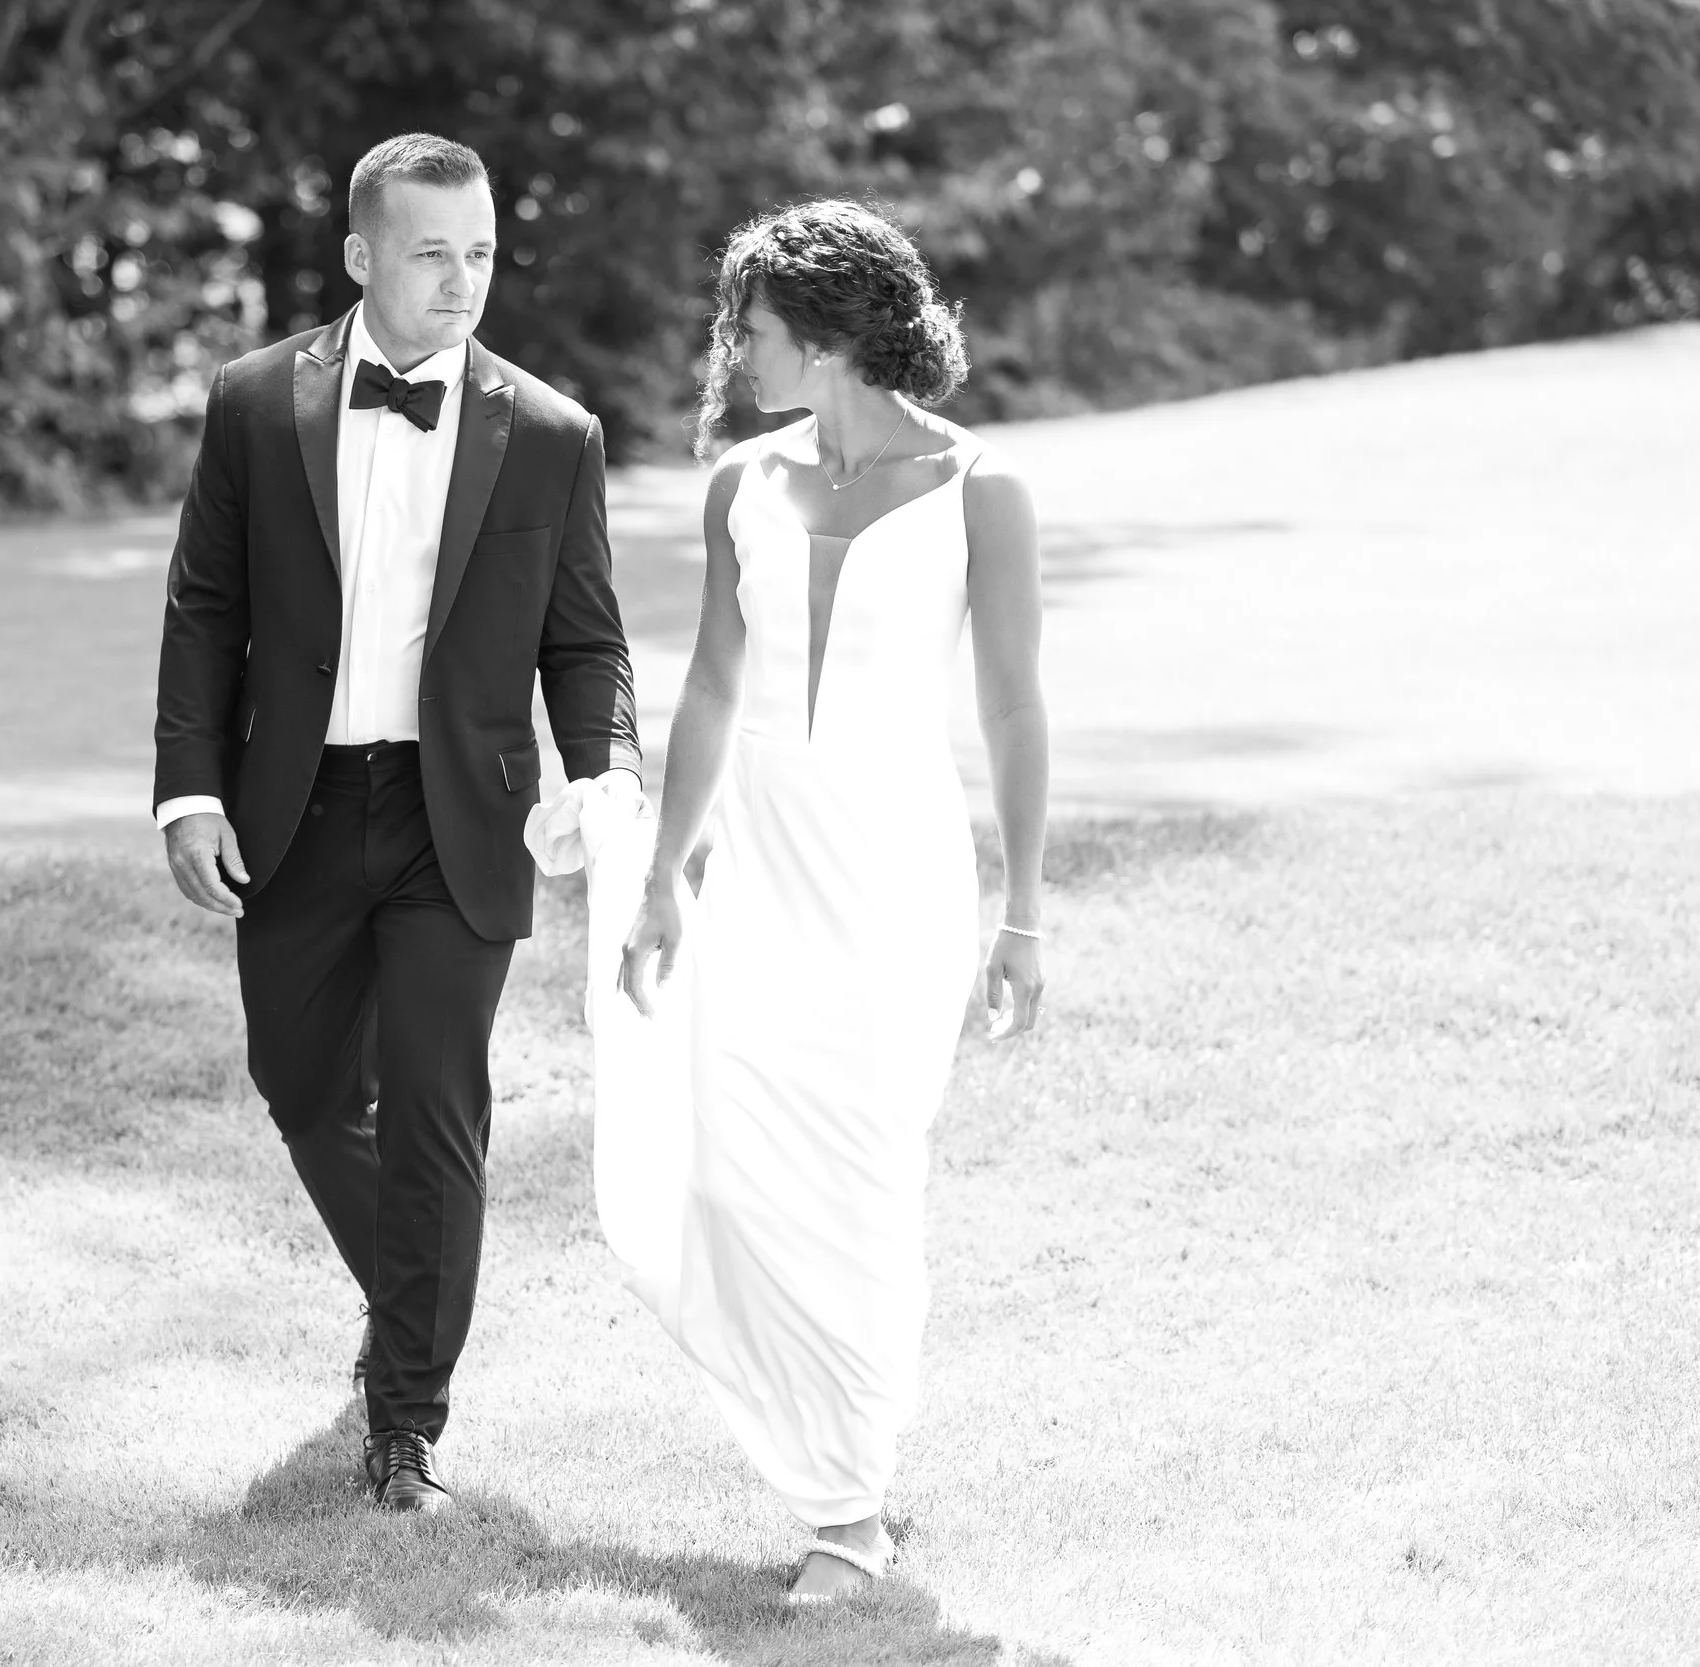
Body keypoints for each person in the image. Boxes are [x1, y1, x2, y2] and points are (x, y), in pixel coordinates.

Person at [154, 132, 640, 1513]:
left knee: (437, 1106)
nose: (463, 279)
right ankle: (413, 1294)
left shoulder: (551, 434)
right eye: (434, 252)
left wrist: (599, 771)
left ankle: (406, 1419)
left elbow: (589, 647)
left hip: (457, 818)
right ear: (362, 255)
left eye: (481, 251)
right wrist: (189, 787)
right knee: (305, 1086)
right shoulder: (254, 405)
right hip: (292, 809)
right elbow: (207, 606)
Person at [613, 199, 1049, 1602]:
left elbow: (1013, 705)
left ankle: (848, 1516)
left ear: (824, 331)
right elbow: (710, 686)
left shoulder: (983, 488)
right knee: (729, 1172)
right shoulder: (742, 480)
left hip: (893, 872)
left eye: (748, 322)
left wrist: (1024, 909)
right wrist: (671, 869)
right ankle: (836, 1467)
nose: (731, 347)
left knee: (862, 1176)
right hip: (756, 862)